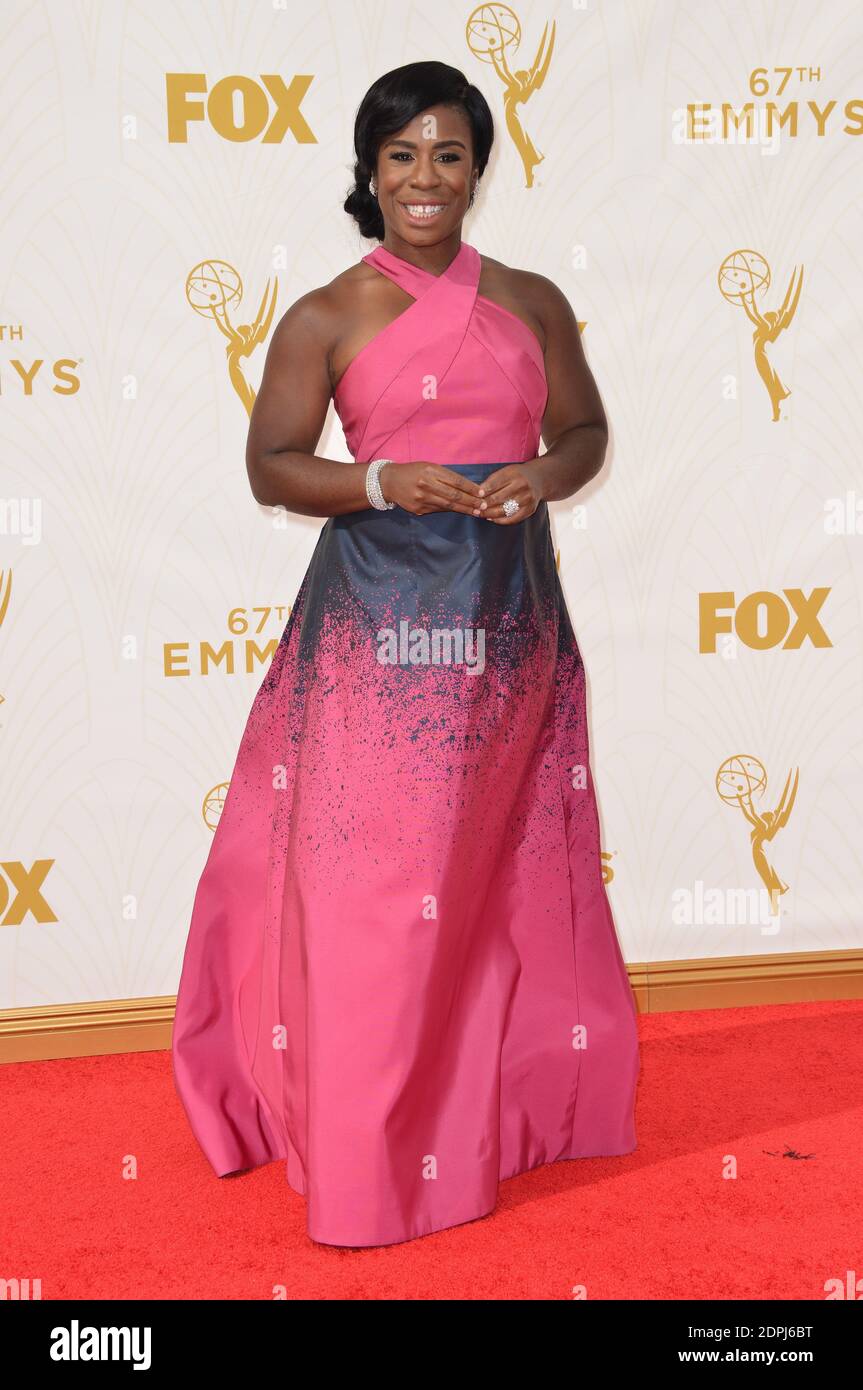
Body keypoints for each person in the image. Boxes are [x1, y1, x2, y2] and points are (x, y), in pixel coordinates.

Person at [172, 60, 639, 1248]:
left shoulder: (531, 300)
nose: (424, 179)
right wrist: (379, 481)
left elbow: (583, 429)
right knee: (376, 891)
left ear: (478, 168)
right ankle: (365, 1149)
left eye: (447, 155)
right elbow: (272, 464)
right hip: (377, 638)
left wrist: (546, 472)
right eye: (400, 157)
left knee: (493, 887)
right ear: (367, 172)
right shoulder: (326, 314)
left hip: (507, 623)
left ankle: (497, 1109)